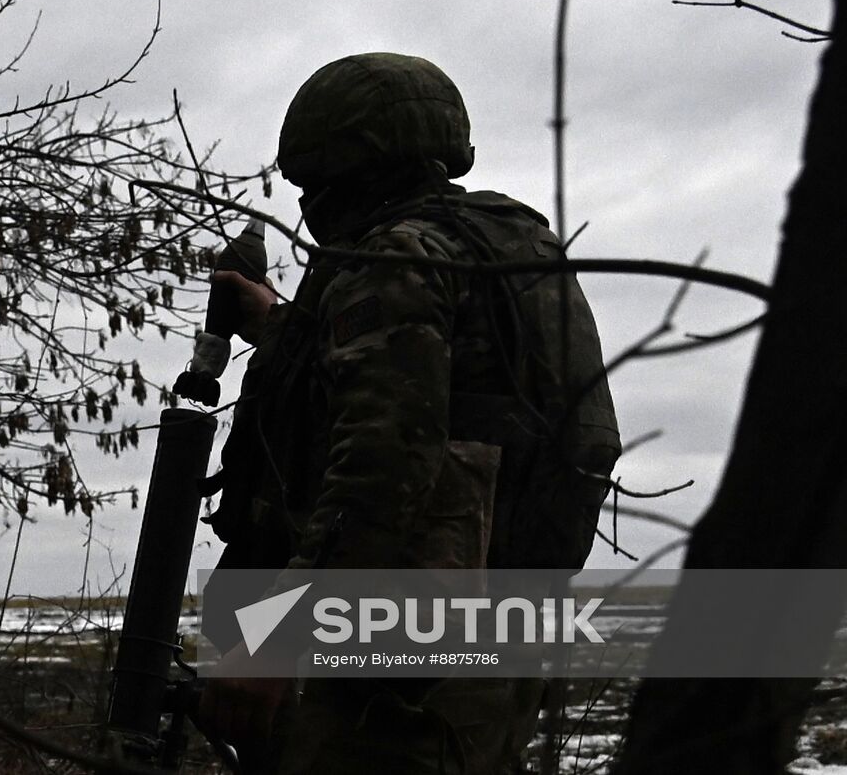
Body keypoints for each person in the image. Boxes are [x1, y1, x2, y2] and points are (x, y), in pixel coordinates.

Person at [194, 52, 621, 774]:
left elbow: (383, 472)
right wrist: (282, 325)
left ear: (343, 170)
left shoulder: (394, 261)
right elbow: (444, 390)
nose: (307, 205)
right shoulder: (509, 253)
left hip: (386, 675)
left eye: (311, 186)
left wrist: (279, 633)